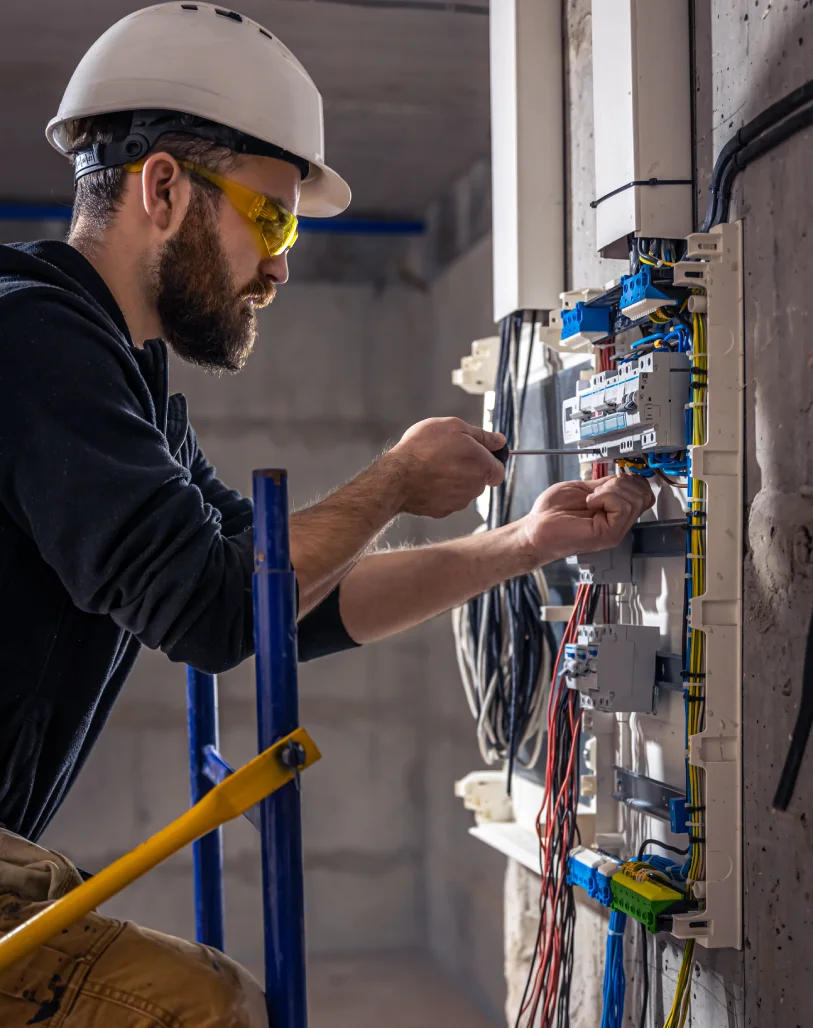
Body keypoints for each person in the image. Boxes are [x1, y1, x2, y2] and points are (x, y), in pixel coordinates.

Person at [0, 4, 654, 1024]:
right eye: (270, 217)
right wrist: (391, 480)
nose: (280, 266)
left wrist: (524, 542)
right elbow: (214, 610)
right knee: (208, 1006)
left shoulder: (118, 376)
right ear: (162, 189)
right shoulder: (33, 345)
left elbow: (279, 602)